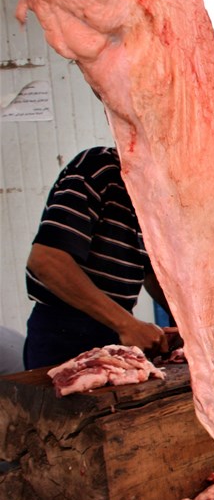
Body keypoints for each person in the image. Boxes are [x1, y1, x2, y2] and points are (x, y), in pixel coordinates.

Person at [23, 146, 168, 369]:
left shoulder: (151, 196)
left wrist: (192, 330)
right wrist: (127, 325)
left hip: (113, 333)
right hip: (64, 332)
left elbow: (151, 274)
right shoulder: (98, 168)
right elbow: (47, 261)